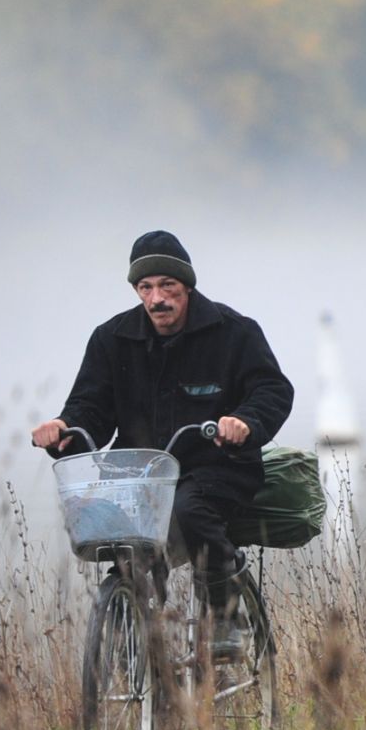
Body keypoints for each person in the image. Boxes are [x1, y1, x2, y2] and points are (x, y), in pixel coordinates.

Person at [32, 231, 293, 639]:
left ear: (186, 285)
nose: (157, 299)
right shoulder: (112, 338)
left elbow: (272, 390)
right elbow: (90, 410)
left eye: (167, 285)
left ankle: (225, 618)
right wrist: (64, 430)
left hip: (217, 468)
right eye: (146, 288)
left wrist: (244, 422)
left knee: (189, 512)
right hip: (140, 476)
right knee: (119, 538)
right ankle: (135, 641)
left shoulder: (235, 332)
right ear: (137, 291)